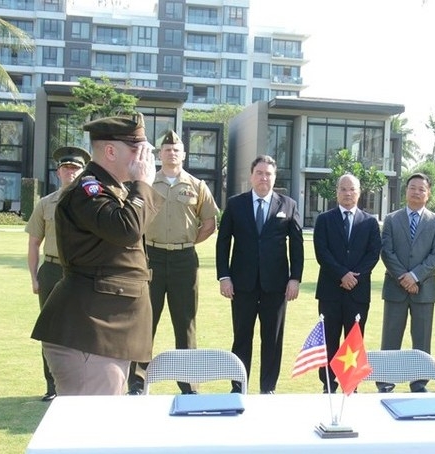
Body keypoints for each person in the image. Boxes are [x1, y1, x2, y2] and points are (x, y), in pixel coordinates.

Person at [31, 113, 163, 396]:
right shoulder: (87, 190)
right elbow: (125, 229)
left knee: (101, 429)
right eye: (137, 149)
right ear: (111, 150)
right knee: (90, 431)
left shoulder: (111, 189)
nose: (145, 158)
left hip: (104, 332)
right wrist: (143, 185)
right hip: (90, 334)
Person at [128, 130, 219, 395]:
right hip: (151, 257)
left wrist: (186, 241)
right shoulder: (146, 183)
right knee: (145, 320)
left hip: (184, 259)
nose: (171, 153)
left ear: (183, 155)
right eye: (167, 149)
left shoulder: (197, 185)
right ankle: (137, 381)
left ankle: (189, 384)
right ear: (160, 154)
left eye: (176, 150)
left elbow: (209, 223)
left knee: (185, 323)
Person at [216, 155, 304, 394]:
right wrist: (224, 276)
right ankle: (238, 387)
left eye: (268, 174)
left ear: (274, 178)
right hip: (242, 284)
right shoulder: (235, 204)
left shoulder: (288, 205)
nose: (264, 177)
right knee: (242, 337)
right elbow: (223, 242)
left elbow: (297, 244)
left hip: (275, 286)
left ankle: (268, 389)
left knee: (272, 340)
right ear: (251, 175)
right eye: (259, 173)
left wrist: (295, 278)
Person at [25, 146, 90, 401]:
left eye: (75, 168)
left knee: (84, 329)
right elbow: (33, 243)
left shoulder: (91, 202)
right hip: (52, 269)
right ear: (57, 172)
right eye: (66, 168)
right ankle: (52, 386)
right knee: (50, 330)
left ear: (83, 172)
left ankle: (82, 384)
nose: (70, 172)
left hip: (82, 270)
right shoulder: (45, 204)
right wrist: (33, 276)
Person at [377, 173, 435, 393]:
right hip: (396, 288)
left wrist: (415, 277)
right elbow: (387, 252)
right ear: (406, 191)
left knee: (422, 338)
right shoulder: (391, 219)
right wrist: (404, 278)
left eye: (421, 189)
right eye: (412, 188)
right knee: (390, 337)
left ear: (428, 194)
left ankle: (419, 382)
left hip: (423, 289)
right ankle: (385, 381)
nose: (416, 192)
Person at [313, 174, 382, 393]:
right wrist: (342, 274)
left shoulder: (370, 222)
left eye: (352, 189)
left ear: (359, 192)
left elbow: (373, 254)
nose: (348, 193)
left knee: (353, 341)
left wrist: (355, 277)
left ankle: (350, 385)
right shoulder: (324, 220)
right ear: (337, 192)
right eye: (343, 189)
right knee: (330, 340)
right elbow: (322, 253)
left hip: (358, 293)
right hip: (330, 292)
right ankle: (329, 385)